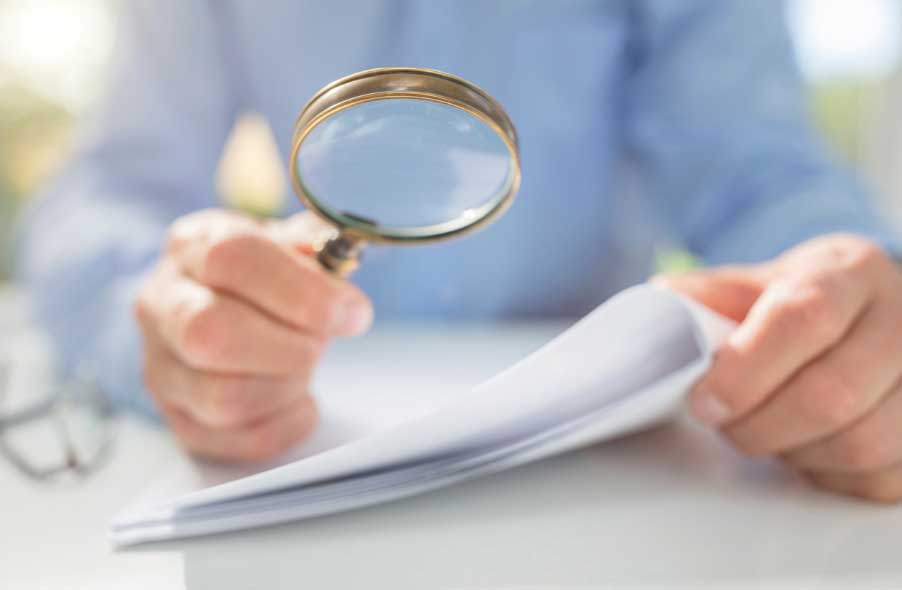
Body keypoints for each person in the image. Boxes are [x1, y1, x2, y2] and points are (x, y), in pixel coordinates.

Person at [16, 1, 902, 502]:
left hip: (599, 465)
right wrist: (165, 313)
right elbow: (110, 188)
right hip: (286, 445)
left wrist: (848, 308)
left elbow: (761, 175)